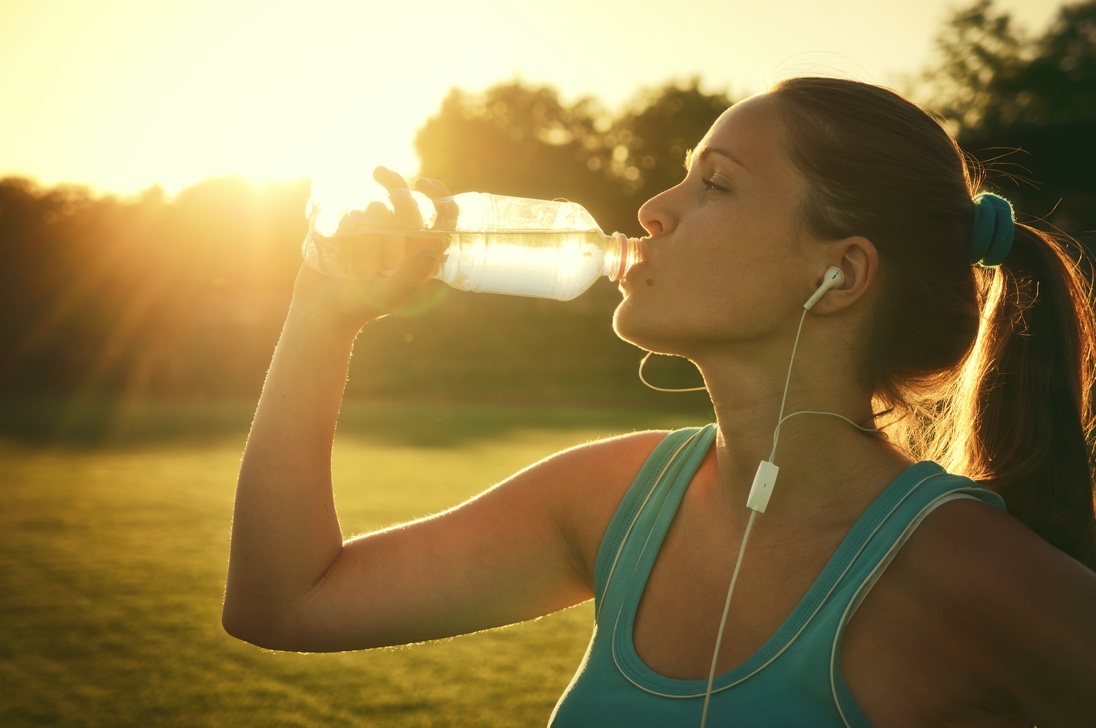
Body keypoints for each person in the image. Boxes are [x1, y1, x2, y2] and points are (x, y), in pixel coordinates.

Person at [222, 77, 1096, 726]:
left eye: (713, 183)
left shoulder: (965, 572)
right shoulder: (612, 501)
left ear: (841, 273)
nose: (649, 210)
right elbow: (284, 602)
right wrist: (320, 311)